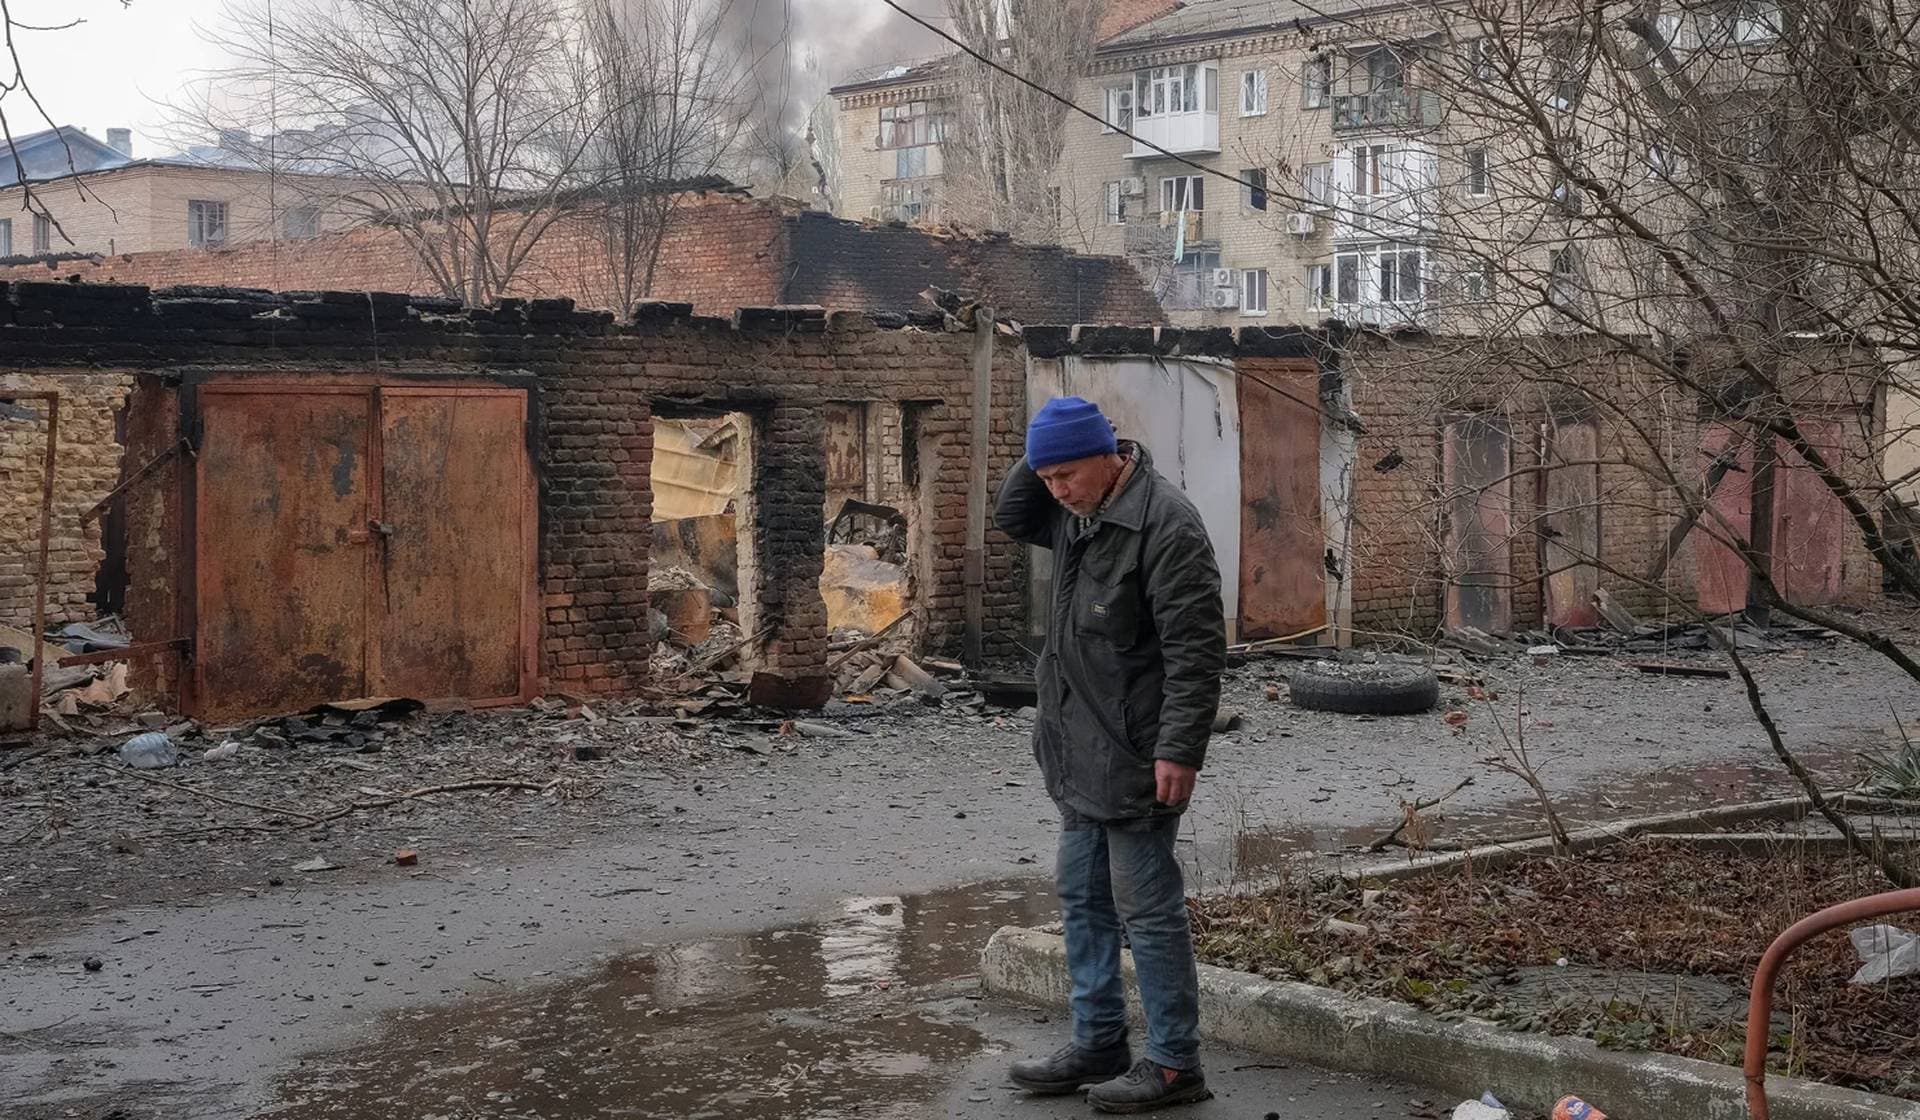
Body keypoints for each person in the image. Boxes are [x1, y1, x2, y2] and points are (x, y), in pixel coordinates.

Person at [994, 395, 1225, 1113]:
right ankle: (1098, 1040)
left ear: (1110, 454)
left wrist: (1179, 750)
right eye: (1047, 476)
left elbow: (1196, 652)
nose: (1055, 491)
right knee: (1083, 899)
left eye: (1066, 474)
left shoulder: (1166, 524)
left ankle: (1173, 1064)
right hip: (1075, 747)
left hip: (1136, 750)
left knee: (1147, 910)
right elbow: (1013, 513)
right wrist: (1044, 449)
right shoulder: (1073, 515)